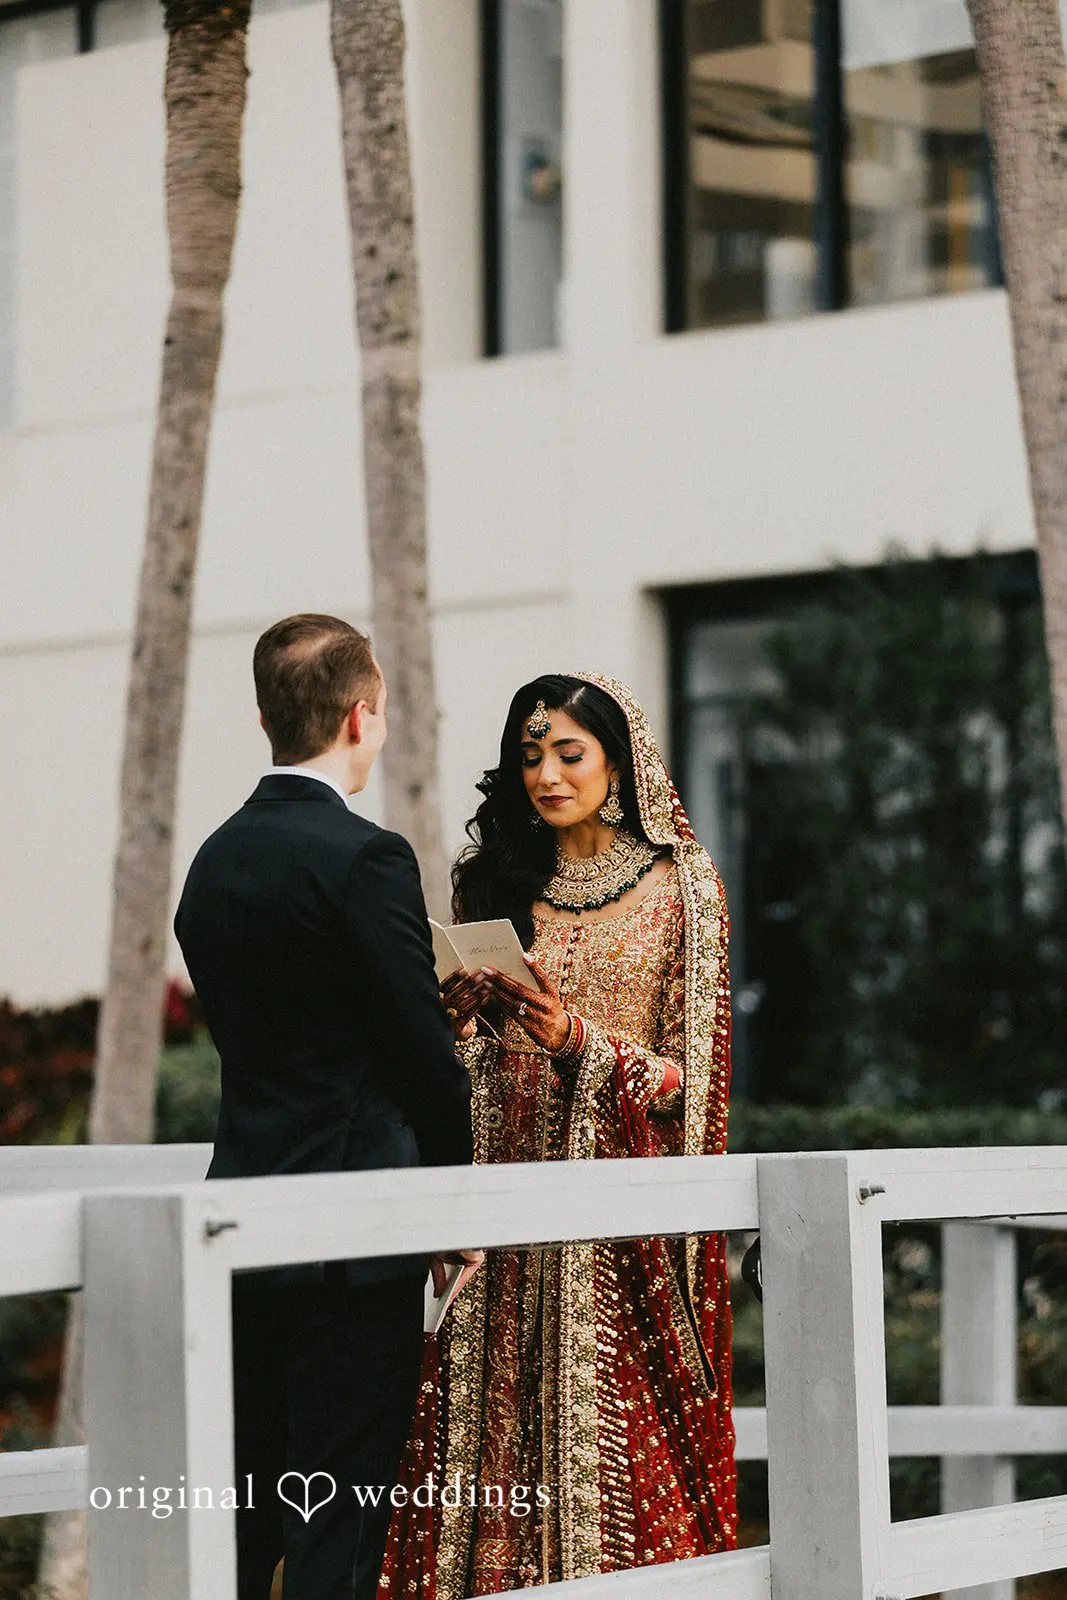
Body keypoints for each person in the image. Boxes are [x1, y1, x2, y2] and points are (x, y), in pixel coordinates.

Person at [379, 672, 737, 1597]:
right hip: (498, 1209)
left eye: (566, 752)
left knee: (609, 1436)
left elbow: (692, 1090)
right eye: (528, 755)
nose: (544, 773)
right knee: (478, 1425)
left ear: (619, 760)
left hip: (613, 1231)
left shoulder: (680, 892)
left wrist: (576, 1040)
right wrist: (453, 1017)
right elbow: (454, 1068)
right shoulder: (500, 883)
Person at [174, 614, 477, 1600]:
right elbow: (424, 1061)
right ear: (360, 715)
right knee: (335, 1524)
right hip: (355, 1237)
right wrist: (454, 1207)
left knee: (245, 1510)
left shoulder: (212, 863)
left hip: (243, 1222)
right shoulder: (365, 859)